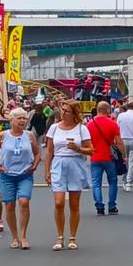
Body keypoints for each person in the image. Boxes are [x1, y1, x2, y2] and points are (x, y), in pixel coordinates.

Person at [45, 99, 94, 251]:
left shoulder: (82, 129)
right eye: (63, 110)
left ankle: (72, 236)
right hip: (58, 163)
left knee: (74, 204)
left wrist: (78, 149)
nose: (63, 113)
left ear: (74, 113)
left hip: (75, 164)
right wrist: (47, 171)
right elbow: (49, 152)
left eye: (67, 111)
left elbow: (91, 149)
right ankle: (60, 237)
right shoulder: (54, 128)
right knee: (59, 202)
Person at [0, 108, 41, 250]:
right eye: (19, 118)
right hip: (7, 175)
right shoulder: (2, 136)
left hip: (25, 174)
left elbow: (37, 153)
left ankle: (23, 236)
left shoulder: (29, 135)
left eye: (24, 118)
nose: (22, 121)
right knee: (10, 205)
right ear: (11, 120)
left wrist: (35, 165)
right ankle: (15, 237)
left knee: (24, 202)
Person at [87, 101, 127, 215]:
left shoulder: (89, 124)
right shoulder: (113, 124)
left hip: (95, 157)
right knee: (113, 182)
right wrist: (123, 155)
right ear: (107, 110)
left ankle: (99, 206)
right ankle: (112, 206)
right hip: (110, 158)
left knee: (96, 183)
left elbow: (86, 142)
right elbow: (119, 142)